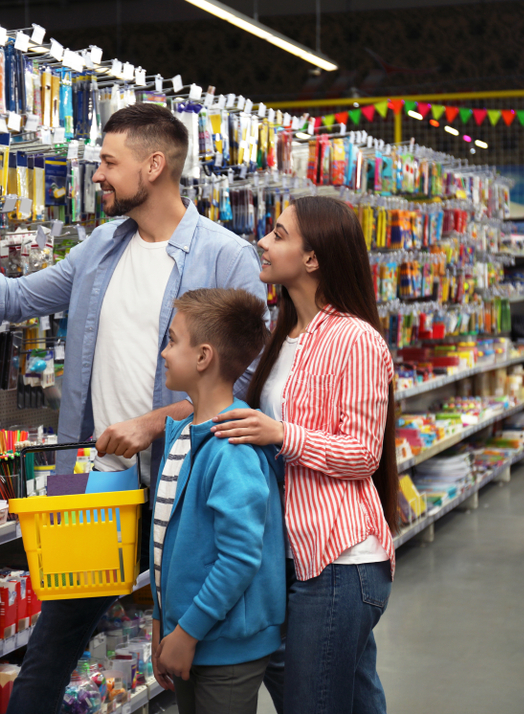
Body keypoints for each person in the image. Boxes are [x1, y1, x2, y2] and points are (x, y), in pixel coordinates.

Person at [0, 103, 267, 714]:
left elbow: (239, 393)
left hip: (183, 492)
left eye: (109, 162)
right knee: (47, 657)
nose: (98, 175)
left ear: (154, 164)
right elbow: (14, 297)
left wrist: (152, 423)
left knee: (204, 660)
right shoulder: (102, 247)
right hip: (97, 490)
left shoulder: (227, 257)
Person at [210, 196, 401, 714]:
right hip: (299, 557)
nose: (262, 243)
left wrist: (281, 434)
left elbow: (363, 454)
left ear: (312, 258)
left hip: (340, 560)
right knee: (356, 700)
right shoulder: (286, 333)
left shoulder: (355, 339)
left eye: (277, 234)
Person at [150, 288, 285, 714]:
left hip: (224, 645)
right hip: (188, 635)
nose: (164, 353)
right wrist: (163, 627)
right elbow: (164, 546)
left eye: (173, 340)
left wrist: (187, 632)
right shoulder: (183, 435)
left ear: (204, 356)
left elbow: (240, 558)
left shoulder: (231, 450)